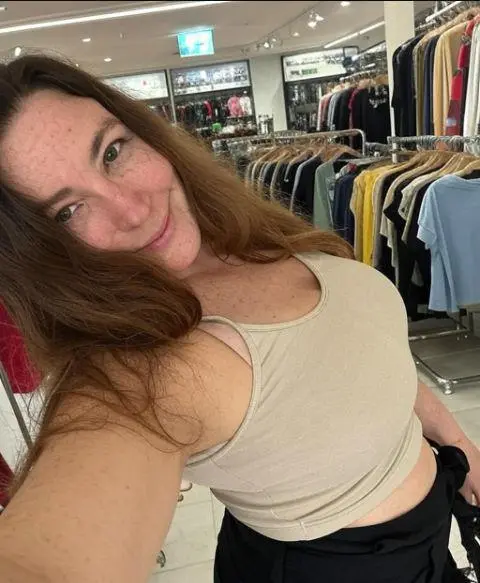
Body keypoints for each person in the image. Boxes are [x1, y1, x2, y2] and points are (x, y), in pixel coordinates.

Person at [0, 55, 478, 583]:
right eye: (67, 211)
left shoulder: (246, 233)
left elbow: (366, 351)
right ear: (36, 252)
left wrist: (456, 441)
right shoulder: (145, 368)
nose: (132, 209)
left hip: (435, 543)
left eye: (113, 151)